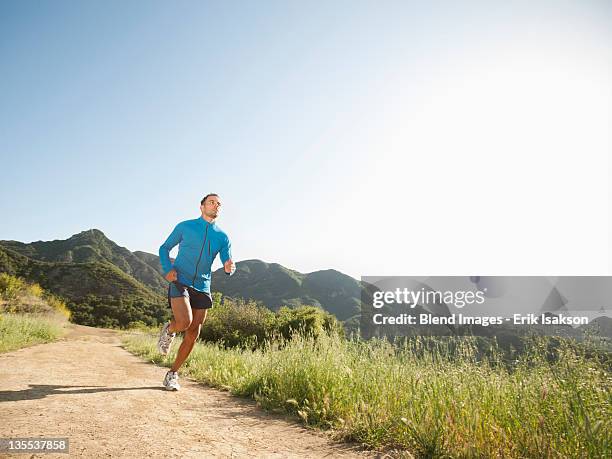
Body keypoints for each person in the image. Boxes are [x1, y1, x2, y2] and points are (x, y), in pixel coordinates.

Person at [157, 193, 235, 391]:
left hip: (203, 286)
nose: (215, 206)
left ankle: (172, 374)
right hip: (180, 280)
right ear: (201, 206)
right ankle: (170, 329)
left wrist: (228, 267)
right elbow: (164, 248)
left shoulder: (222, 237)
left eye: (219, 204)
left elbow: (227, 260)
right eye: (211, 202)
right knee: (184, 322)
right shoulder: (185, 226)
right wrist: (168, 269)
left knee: (193, 333)